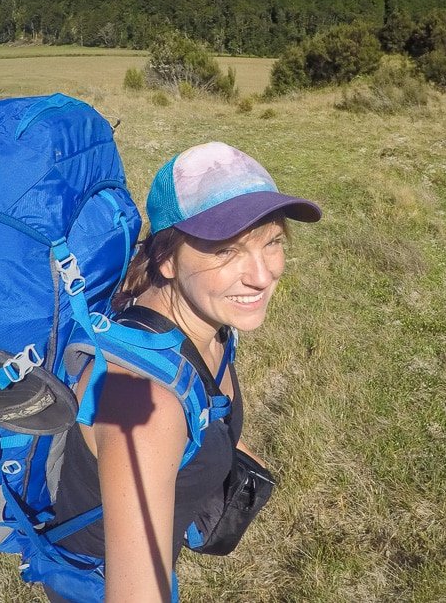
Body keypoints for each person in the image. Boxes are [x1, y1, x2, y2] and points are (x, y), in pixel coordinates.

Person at [44, 141, 321, 603]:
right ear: (167, 259)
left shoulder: (206, 325)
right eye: (227, 251)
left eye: (272, 241)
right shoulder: (143, 403)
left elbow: (207, 403)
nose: (262, 275)